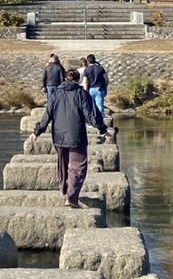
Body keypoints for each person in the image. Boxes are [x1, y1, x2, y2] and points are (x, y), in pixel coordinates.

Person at [31, 69, 114, 208]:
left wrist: (37, 132)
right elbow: (91, 115)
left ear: (65, 78)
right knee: (78, 166)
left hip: (59, 135)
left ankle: (63, 189)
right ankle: (71, 197)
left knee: (62, 163)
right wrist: (103, 130)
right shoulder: (82, 94)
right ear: (79, 79)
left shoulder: (56, 93)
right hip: (76, 135)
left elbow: (48, 114)